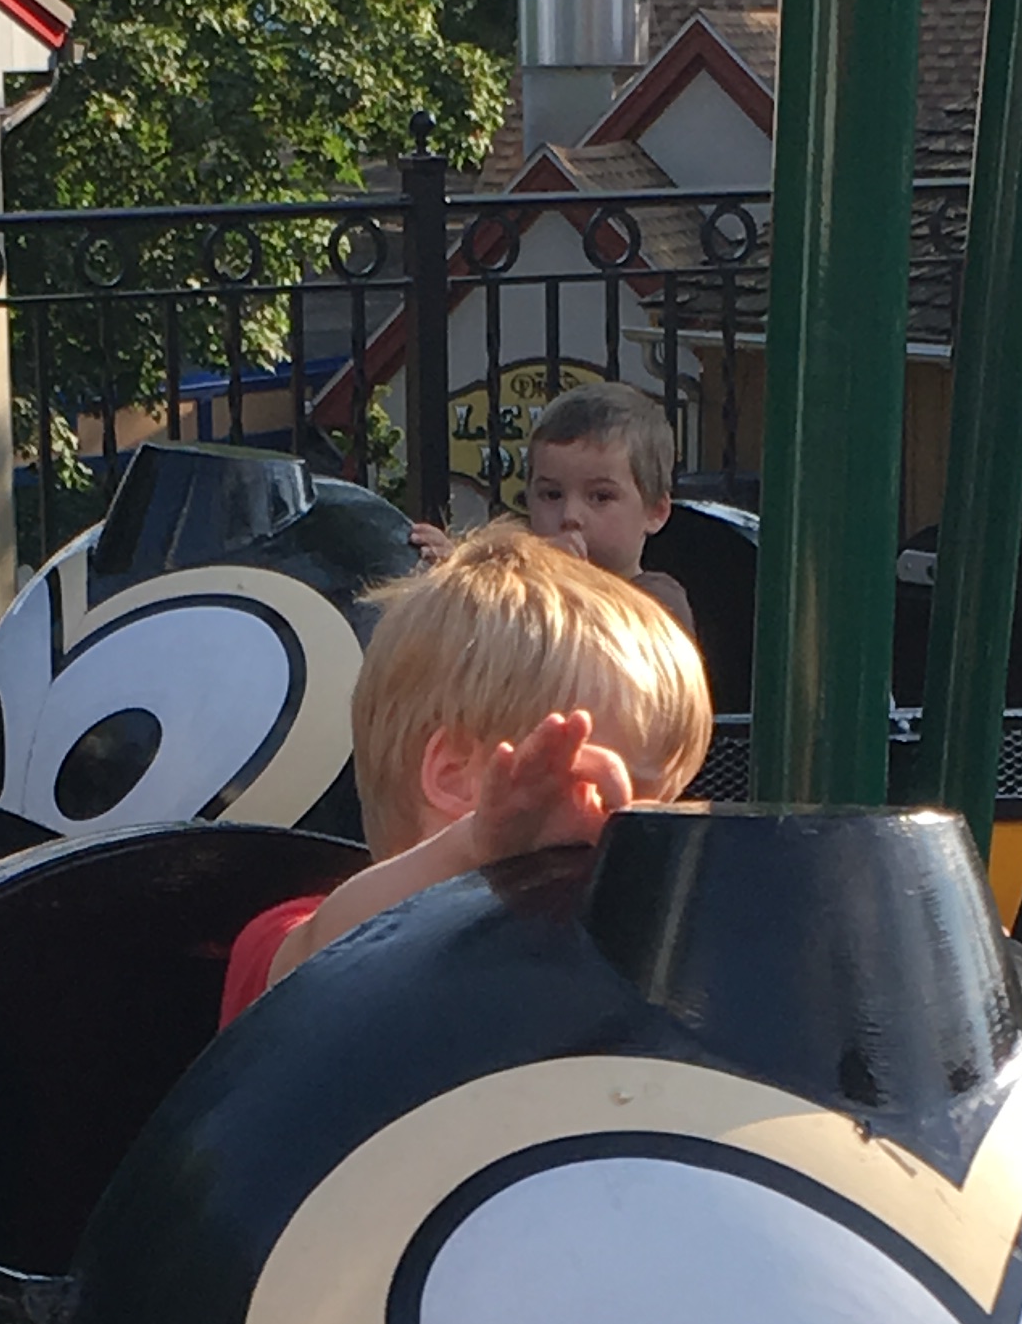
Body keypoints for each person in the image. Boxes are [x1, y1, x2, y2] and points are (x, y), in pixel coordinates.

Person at [217, 519, 712, 1024]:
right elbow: (315, 960)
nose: (646, 832)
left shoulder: (593, 971)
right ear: (455, 775)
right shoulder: (303, 930)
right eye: (603, 794)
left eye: (663, 803)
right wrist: (475, 846)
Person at [517, 381, 699, 636]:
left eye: (601, 497)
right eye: (552, 495)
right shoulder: (515, 589)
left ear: (655, 512)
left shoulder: (658, 601)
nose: (570, 516)